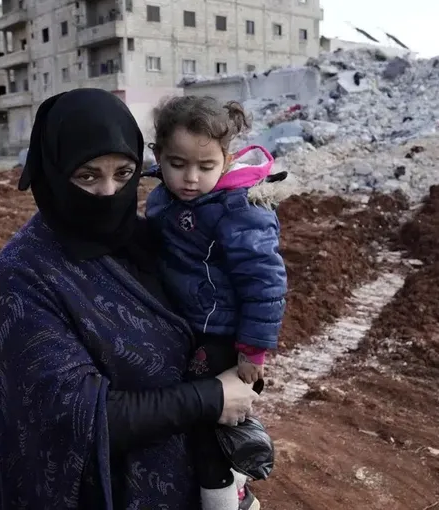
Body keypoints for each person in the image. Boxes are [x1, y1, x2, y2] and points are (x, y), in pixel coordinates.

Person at [0, 88, 262, 510]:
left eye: (124, 173)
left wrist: (245, 354)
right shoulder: (25, 271)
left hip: (190, 483)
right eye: (87, 176)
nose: (108, 191)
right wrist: (212, 398)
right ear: (53, 171)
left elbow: (216, 310)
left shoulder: (152, 240)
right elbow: (75, 415)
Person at [145, 95, 290, 510]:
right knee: (207, 416)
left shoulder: (237, 209)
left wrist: (253, 350)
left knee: (203, 423)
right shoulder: (163, 198)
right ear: (158, 155)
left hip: (221, 334)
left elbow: (264, 281)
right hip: (188, 325)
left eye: (205, 166)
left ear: (225, 160)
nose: (190, 178)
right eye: (177, 164)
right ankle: (235, 480)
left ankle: (226, 499)